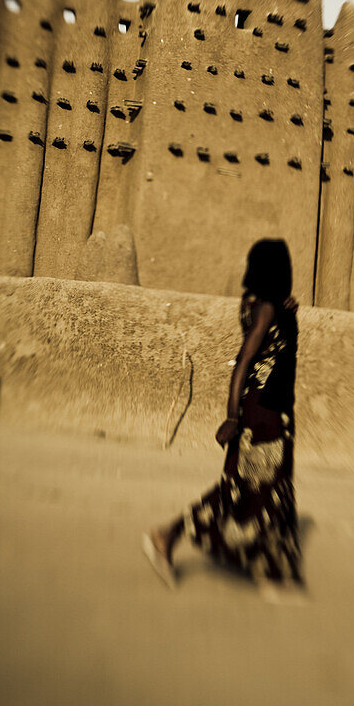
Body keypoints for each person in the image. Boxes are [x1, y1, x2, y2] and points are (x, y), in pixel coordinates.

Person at [143, 238, 303, 589]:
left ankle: (273, 569)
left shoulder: (257, 304)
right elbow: (244, 361)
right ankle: (168, 534)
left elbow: (270, 349)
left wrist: (286, 309)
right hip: (263, 411)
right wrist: (232, 417)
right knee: (247, 486)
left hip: (268, 407)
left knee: (266, 487)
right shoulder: (266, 309)